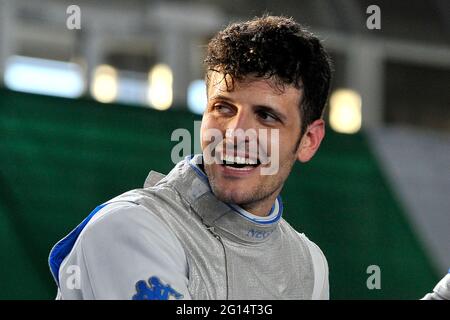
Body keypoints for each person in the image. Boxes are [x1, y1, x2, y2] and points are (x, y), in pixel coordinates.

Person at [48, 15, 332, 300]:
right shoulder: (130, 227)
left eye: (266, 116)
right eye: (223, 108)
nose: (234, 133)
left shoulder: (309, 265)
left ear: (309, 140)